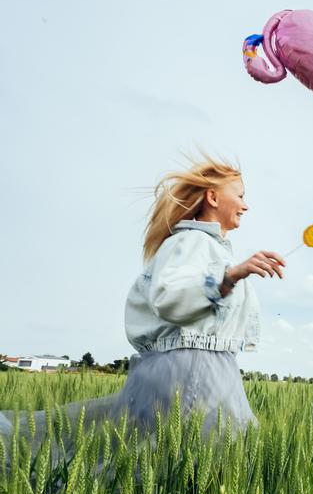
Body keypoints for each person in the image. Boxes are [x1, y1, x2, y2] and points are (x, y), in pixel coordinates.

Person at [1, 157, 287, 451]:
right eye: (240, 196)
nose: (245, 206)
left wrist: (231, 276)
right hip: (195, 369)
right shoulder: (191, 241)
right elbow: (169, 298)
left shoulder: (207, 246)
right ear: (213, 197)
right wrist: (229, 278)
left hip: (198, 366)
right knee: (190, 456)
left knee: (172, 457)